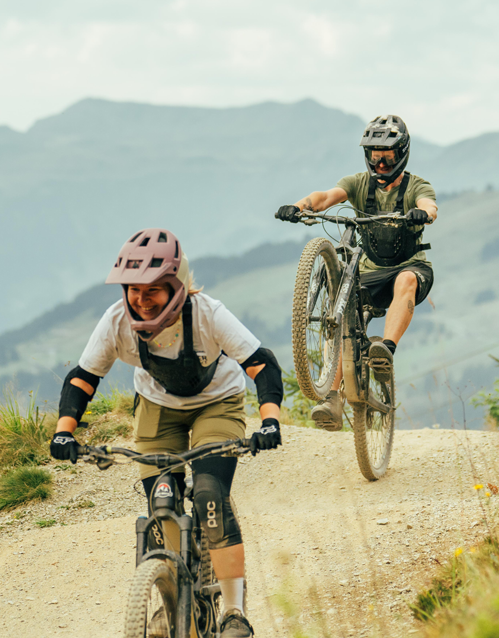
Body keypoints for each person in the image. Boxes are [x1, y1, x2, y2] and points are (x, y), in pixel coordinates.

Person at [50, 228, 284, 638]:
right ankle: (171, 602)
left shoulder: (208, 314)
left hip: (217, 402)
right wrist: (64, 432)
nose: (140, 299)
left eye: (153, 290)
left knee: (210, 493)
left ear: (177, 288)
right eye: (133, 289)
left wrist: (269, 421)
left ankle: (233, 613)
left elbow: (262, 364)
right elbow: (83, 377)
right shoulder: (117, 322)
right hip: (158, 410)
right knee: (162, 505)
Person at [275, 114, 438, 431]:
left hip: (410, 267)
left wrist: (423, 213)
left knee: (405, 279)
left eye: (387, 155)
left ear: (401, 152)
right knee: (345, 316)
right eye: (374, 155)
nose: (379, 163)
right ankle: (332, 399)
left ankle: (385, 351)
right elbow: (324, 198)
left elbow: (429, 205)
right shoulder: (357, 184)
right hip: (370, 271)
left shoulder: (416, 185)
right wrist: (298, 207)